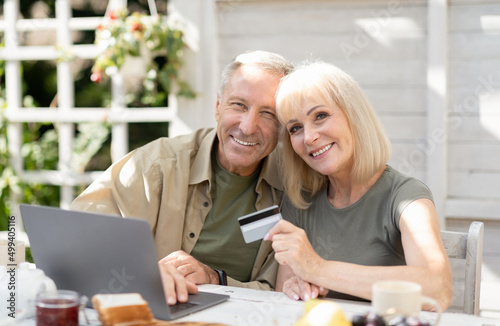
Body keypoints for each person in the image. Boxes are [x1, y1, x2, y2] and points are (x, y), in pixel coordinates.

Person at [70, 50, 294, 305]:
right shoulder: (158, 165)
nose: (247, 126)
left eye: (268, 113)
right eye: (239, 105)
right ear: (218, 106)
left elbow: (282, 292)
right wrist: (142, 273)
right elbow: (81, 235)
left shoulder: (296, 190)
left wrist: (216, 278)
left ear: (283, 125)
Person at [264, 60, 453, 311]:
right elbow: (284, 296)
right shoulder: (300, 202)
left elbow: (437, 288)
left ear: (354, 115)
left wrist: (318, 269)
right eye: (295, 128)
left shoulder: (407, 198)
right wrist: (295, 289)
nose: (308, 137)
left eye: (320, 116)